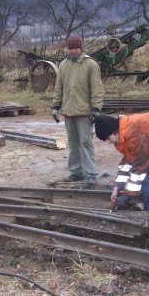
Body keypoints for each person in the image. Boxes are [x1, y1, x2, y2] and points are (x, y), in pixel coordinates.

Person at [51, 33, 104, 186]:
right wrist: (55, 105)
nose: (74, 51)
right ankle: (76, 171)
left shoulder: (90, 65)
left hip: (84, 111)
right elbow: (58, 88)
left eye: (76, 48)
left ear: (81, 48)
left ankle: (91, 173)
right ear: (68, 48)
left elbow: (97, 89)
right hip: (68, 111)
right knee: (73, 143)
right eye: (71, 48)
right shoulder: (63, 65)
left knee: (86, 142)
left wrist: (96, 108)